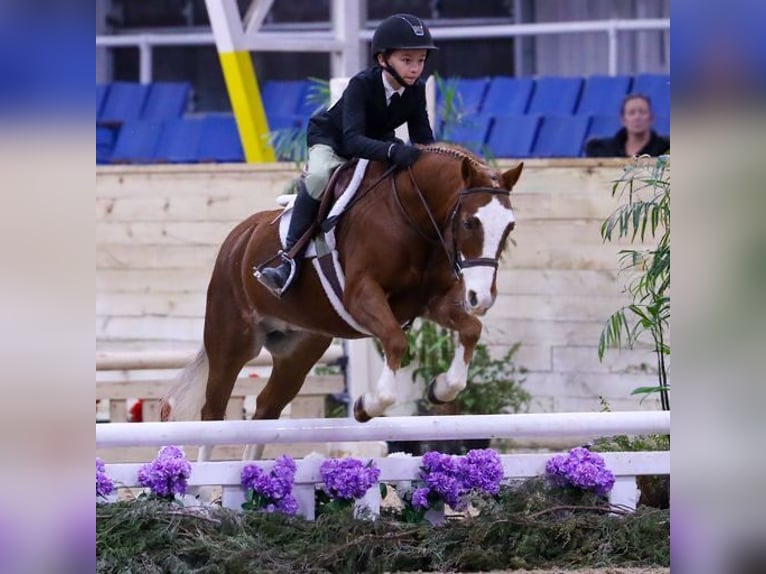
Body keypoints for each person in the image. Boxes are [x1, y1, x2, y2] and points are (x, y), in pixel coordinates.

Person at [257, 13, 438, 297]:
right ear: (383, 59)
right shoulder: (362, 85)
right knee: (318, 176)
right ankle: (288, 260)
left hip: (375, 141)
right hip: (333, 140)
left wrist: (437, 162)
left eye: (420, 60)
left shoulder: (415, 91)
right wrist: (393, 150)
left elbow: (424, 141)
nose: (415, 68)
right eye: (407, 60)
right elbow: (352, 140)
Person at [584, 93, 670, 158]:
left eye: (642, 112)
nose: (637, 117)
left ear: (651, 118)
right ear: (623, 120)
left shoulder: (666, 149)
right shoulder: (604, 149)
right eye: (631, 113)